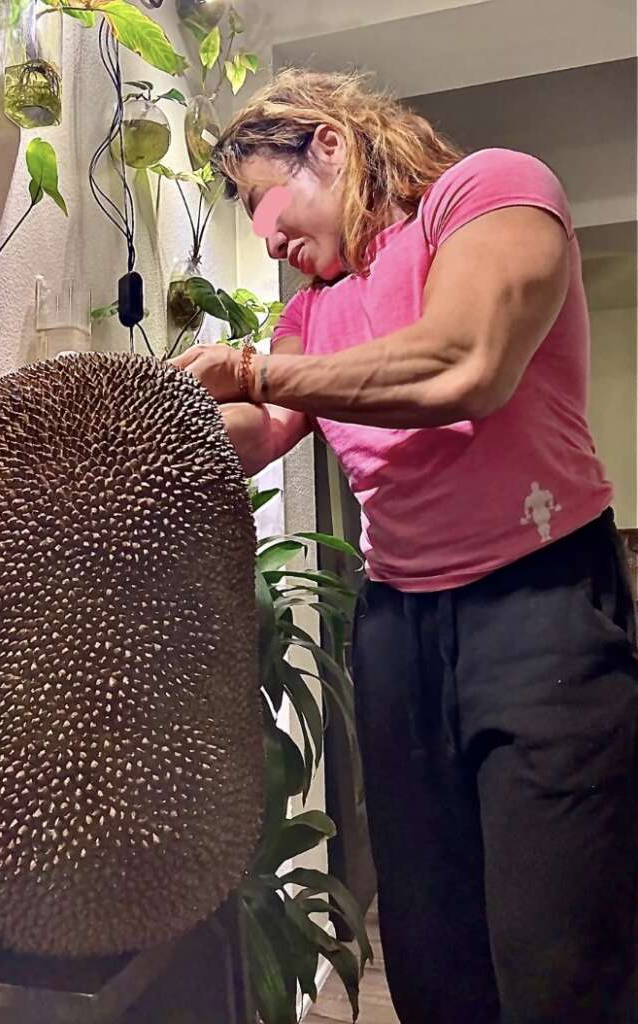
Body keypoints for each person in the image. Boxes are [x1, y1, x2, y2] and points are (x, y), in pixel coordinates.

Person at [171, 70, 638, 1023]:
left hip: (539, 605)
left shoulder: (488, 193)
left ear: (330, 146)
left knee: (563, 950)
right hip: (398, 626)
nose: (268, 239)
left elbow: (463, 359)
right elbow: (256, 433)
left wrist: (257, 368)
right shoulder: (311, 313)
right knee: (430, 947)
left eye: (266, 200)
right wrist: (135, 412)